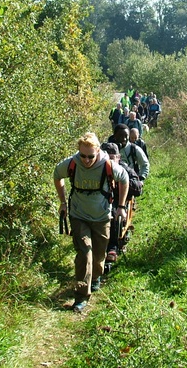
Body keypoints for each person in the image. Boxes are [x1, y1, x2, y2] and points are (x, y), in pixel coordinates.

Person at [54, 132, 128, 313]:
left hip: (102, 217)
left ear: (98, 152)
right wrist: (63, 202)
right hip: (78, 215)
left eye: (90, 156)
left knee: (98, 256)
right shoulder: (72, 163)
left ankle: (96, 277)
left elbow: (124, 179)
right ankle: (81, 296)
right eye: (83, 156)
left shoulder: (108, 165)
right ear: (78, 152)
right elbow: (57, 175)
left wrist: (120, 206)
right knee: (84, 253)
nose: (86, 160)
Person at [100, 142, 141, 263]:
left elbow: (138, 188)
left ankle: (112, 246)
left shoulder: (124, 169)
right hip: (100, 201)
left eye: (112, 158)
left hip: (118, 202)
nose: (109, 162)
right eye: (106, 158)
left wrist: (122, 183)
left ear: (118, 157)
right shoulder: (97, 169)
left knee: (112, 213)